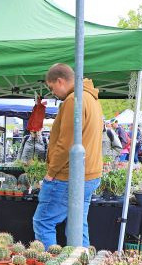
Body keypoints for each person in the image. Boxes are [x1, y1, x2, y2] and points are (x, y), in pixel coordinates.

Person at [33, 63, 103, 248]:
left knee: (43, 221)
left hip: (68, 175)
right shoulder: (91, 98)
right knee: (77, 226)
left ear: (60, 81)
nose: (52, 92)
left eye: (51, 87)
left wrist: (51, 172)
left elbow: (66, 144)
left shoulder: (74, 100)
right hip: (89, 173)